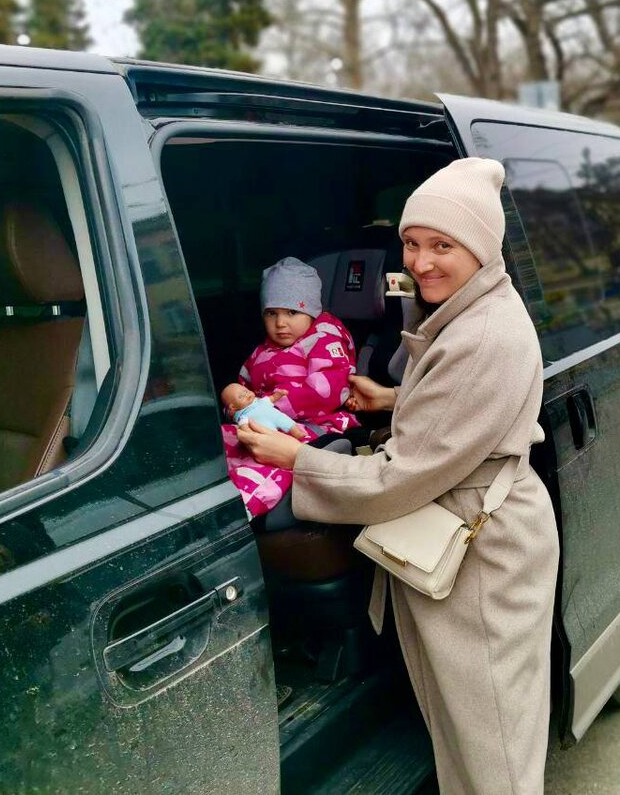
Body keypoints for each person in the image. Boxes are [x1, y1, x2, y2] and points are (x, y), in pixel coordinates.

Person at [237, 157, 559, 795]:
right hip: (470, 531)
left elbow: (400, 480)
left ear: (483, 246)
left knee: (492, 749)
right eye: (411, 244)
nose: (422, 262)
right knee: (471, 732)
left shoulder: (484, 335)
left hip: (482, 554)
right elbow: (459, 414)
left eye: (444, 245)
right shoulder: (471, 309)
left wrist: (294, 458)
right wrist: (391, 400)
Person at [221, 256, 358, 518]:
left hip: (313, 426)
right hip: (259, 422)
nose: (280, 323)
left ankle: (242, 510)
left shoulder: (324, 339)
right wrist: (239, 411)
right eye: (272, 313)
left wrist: (269, 406)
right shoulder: (263, 351)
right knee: (220, 441)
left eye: (292, 312)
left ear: (312, 312)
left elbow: (326, 390)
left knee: (268, 463)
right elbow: (243, 388)